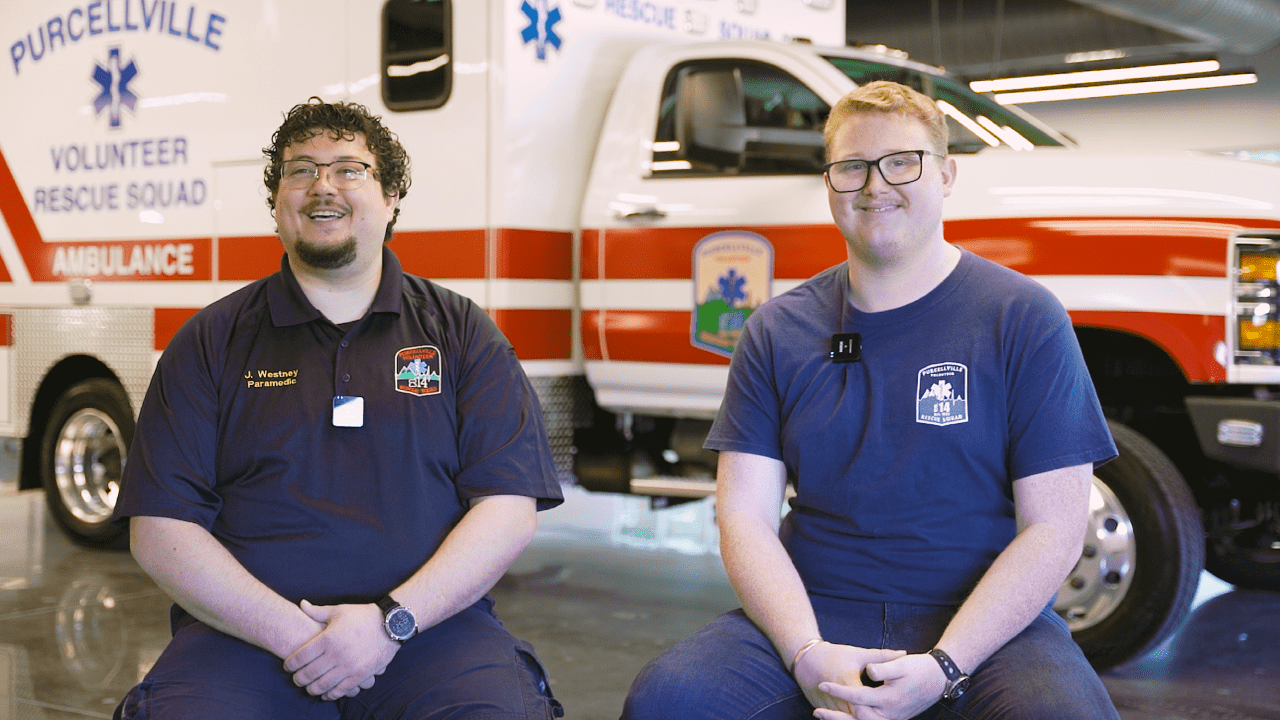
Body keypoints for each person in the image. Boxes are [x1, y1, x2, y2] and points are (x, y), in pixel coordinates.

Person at [622, 81, 1121, 720]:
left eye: (902, 162)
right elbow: (744, 518)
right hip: (816, 607)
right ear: (829, 183)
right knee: (669, 702)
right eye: (851, 166)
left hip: (981, 623)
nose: (874, 184)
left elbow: (1052, 529)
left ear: (945, 174)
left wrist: (944, 665)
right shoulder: (777, 331)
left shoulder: (1022, 319)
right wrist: (805, 652)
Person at [110, 98, 565, 720]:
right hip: (246, 641)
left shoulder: (462, 333)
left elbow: (508, 510)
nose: (322, 186)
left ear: (393, 196)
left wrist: (389, 622)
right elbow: (160, 531)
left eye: (349, 168)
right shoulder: (210, 342)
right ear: (276, 205)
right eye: (300, 171)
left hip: (430, 631)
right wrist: (302, 641)